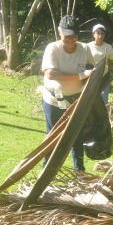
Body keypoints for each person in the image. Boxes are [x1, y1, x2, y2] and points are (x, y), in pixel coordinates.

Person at [41, 15, 95, 171]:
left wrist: (88, 83)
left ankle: (80, 172)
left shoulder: (84, 49)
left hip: (76, 99)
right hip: (54, 100)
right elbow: (51, 74)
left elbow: (91, 70)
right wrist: (80, 75)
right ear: (59, 32)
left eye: (74, 35)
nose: (71, 39)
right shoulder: (53, 48)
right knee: (53, 135)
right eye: (67, 35)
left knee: (77, 135)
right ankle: (47, 171)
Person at [86, 24, 113, 104]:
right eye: (98, 33)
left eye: (102, 33)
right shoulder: (87, 47)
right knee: (90, 102)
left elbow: (110, 64)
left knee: (104, 102)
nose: (100, 35)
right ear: (93, 34)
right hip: (90, 79)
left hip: (104, 78)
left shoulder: (108, 47)